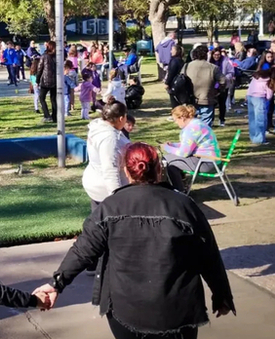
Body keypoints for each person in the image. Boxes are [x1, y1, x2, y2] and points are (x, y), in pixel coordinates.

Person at [35, 142, 235, 339]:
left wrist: (56, 284)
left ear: (126, 171)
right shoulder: (184, 205)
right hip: (177, 310)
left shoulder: (109, 207)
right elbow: (209, 255)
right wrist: (222, 294)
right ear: (159, 169)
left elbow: (83, 251)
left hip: (126, 310)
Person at [83, 97, 130, 211]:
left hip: (96, 183)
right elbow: (110, 170)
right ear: (121, 118)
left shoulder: (100, 127)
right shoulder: (109, 139)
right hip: (105, 190)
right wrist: (117, 199)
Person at [162, 104, 222, 191]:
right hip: (211, 159)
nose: (175, 123)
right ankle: (182, 185)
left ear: (182, 118)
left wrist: (167, 148)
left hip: (206, 162)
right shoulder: (197, 123)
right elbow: (190, 144)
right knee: (169, 159)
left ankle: (179, 190)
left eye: (175, 120)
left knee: (167, 161)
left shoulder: (191, 129)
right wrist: (173, 145)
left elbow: (183, 153)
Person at [185, 45, 225, 126]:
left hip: (190, 98)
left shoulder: (186, 66)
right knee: (205, 127)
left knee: (191, 125)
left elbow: (181, 80)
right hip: (207, 98)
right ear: (206, 55)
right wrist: (217, 90)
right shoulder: (213, 67)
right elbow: (223, 81)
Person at [210, 48, 234, 127]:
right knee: (212, 104)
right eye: (215, 55)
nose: (216, 56)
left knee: (222, 103)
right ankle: (211, 120)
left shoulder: (225, 62)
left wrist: (225, 78)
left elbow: (231, 72)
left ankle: (222, 120)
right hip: (213, 86)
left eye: (218, 55)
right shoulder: (209, 62)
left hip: (223, 86)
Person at [247, 69, 272, 144]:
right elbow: (269, 94)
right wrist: (268, 98)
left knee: (252, 118)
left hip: (250, 96)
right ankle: (259, 139)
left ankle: (253, 136)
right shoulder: (268, 81)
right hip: (260, 98)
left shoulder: (255, 78)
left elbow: (250, 87)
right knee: (261, 119)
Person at [36, 41, 58, 123]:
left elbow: (39, 69)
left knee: (42, 98)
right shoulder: (57, 56)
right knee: (54, 99)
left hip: (45, 81)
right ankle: (55, 117)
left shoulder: (44, 56)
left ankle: (47, 115)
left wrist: (37, 80)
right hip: (55, 81)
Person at [164, 44, 185, 110]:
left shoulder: (174, 61)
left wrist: (167, 82)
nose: (171, 51)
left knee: (174, 100)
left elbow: (171, 73)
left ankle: (176, 113)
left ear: (177, 51)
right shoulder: (181, 60)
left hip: (174, 83)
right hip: (180, 82)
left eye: (172, 50)